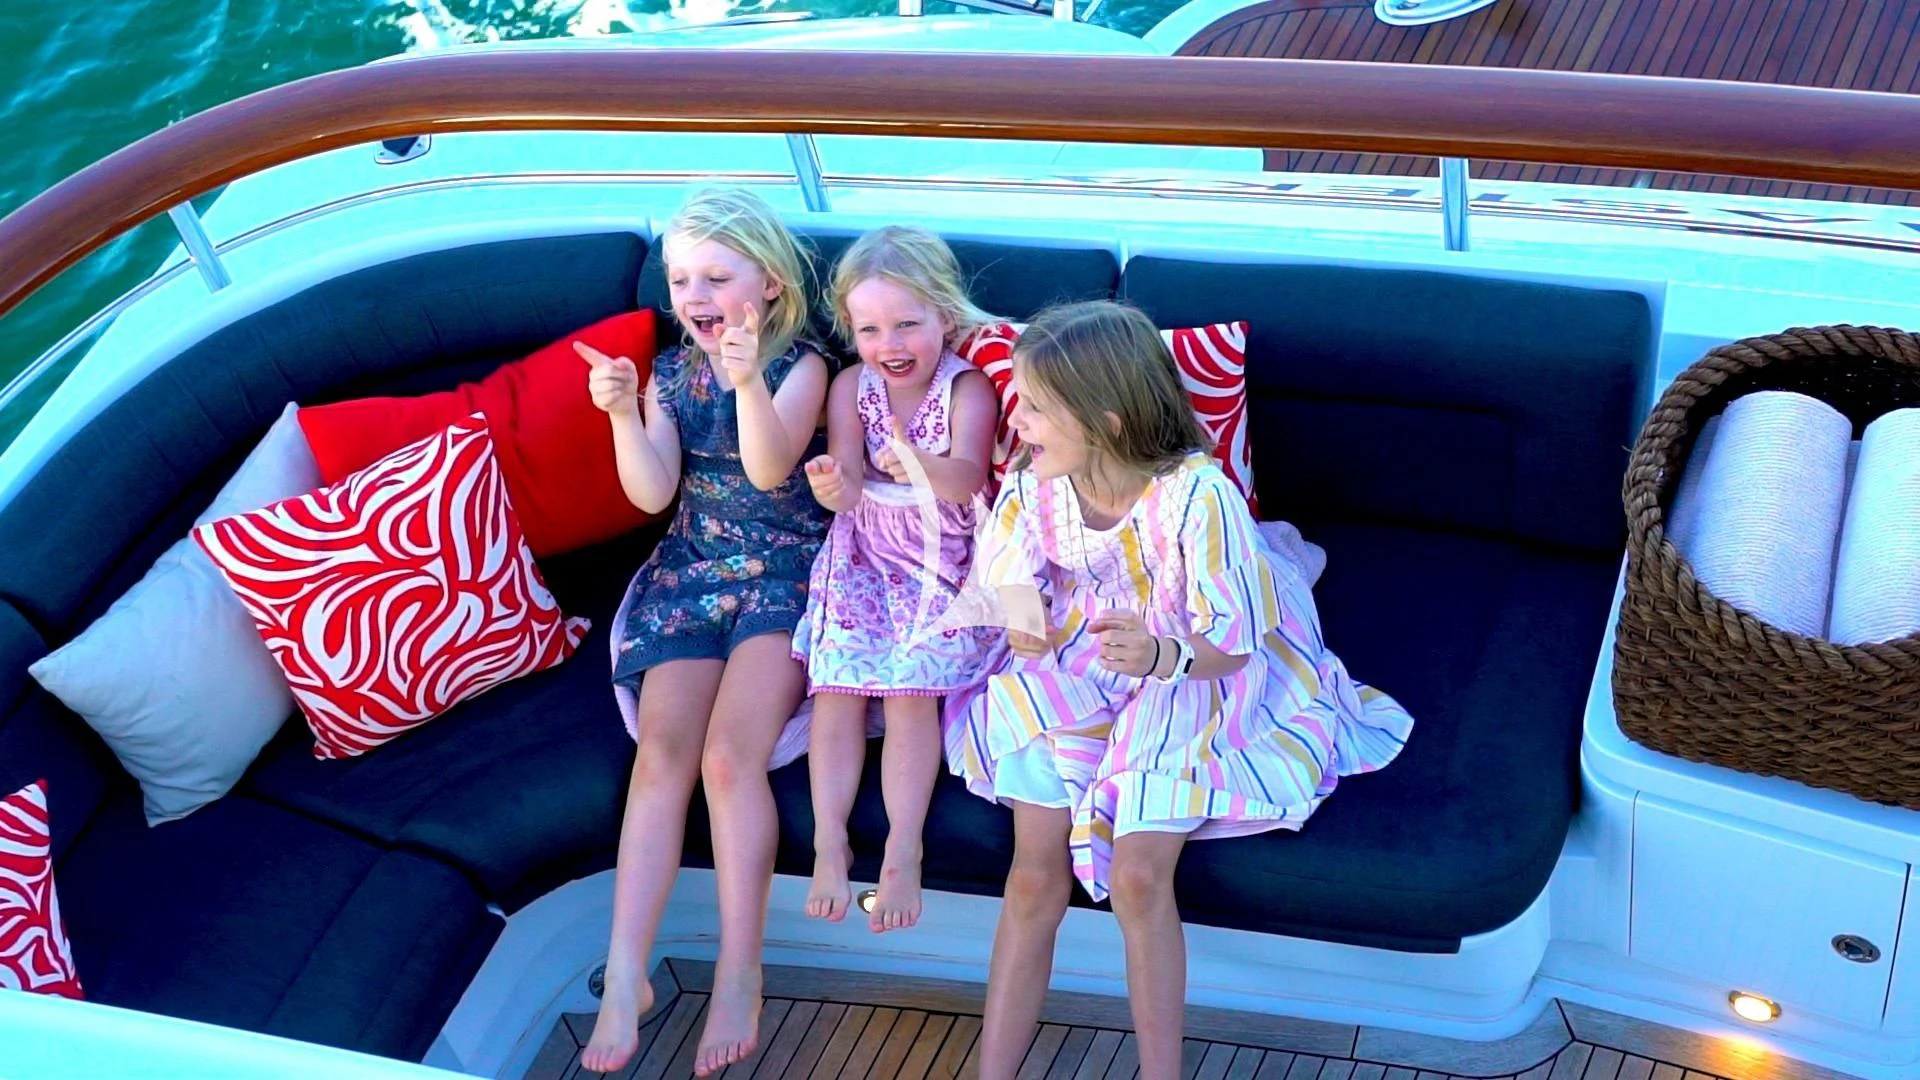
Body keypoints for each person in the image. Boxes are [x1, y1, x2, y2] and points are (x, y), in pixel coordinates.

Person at [944, 301, 1414, 1080]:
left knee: (1137, 877)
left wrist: (1159, 653)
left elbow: (1232, 646)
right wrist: (1026, 623)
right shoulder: (1035, 482)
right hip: (1087, 652)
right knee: (1031, 877)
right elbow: (1008, 570)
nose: (1015, 421)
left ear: (1107, 422)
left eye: (1035, 407)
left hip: (1193, 663)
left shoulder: (1200, 497)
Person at [577, 187, 830, 1077]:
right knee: (661, 755)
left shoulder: (803, 367)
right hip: (692, 570)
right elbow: (652, 492)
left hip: (787, 572)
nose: (695, 294)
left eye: (717, 277)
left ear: (769, 283)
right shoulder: (671, 373)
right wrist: (622, 412)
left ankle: (738, 970)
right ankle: (627, 976)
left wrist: (747, 376)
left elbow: (768, 467)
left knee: (728, 761)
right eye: (682, 278)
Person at [792, 226, 1001, 933]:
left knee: (911, 689)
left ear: (945, 315)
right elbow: (849, 483)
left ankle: (902, 850)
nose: (890, 343)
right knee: (838, 687)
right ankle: (828, 842)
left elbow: (967, 477)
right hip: (864, 548)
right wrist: (832, 484)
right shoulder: (851, 385)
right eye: (870, 329)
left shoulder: (966, 387)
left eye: (908, 323)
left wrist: (915, 462)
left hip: (941, 550)